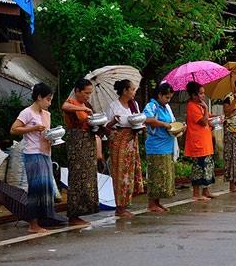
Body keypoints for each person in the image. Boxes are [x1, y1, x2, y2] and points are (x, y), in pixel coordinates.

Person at [10, 82, 60, 234]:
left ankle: (42, 219)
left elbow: (46, 133)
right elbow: (13, 129)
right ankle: (33, 223)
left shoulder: (46, 114)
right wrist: (32, 128)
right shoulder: (27, 113)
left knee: (45, 188)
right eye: (48, 99)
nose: (49, 103)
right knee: (36, 189)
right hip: (32, 153)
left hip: (45, 153)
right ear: (39, 97)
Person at [61, 79, 100, 226]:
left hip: (88, 142)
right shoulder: (71, 102)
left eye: (90, 93)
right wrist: (82, 110)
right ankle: (74, 214)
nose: (88, 96)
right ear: (77, 91)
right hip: (77, 143)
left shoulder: (86, 105)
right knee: (77, 178)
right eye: (86, 93)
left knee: (88, 178)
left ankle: (84, 211)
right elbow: (64, 106)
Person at [106, 79, 144, 218]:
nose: (134, 92)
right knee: (120, 173)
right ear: (125, 91)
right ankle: (120, 207)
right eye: (132, 89)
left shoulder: (134, 105)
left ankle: (126, 204)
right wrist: (114, 121)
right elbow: (107, 127)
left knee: (130, 172)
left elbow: (138, 120)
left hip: (131, 139)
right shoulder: (113, 106)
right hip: (119, 140)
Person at [143, 82, 177, 212]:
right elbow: (147, 119)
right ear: (159, 95)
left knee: (163, 175)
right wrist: (164, 124)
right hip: (156, 146)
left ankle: (158, 202)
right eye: (166, 97)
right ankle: (152, 203)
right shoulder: (152, 106)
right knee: (155, 174)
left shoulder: (165, 107)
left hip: (167, 144)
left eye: (170, 98)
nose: (168, 100)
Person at [185, 81, 217, 202]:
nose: (203, 96)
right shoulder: (192, 106)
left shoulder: (200, 105)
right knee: (199, 168)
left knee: (208, 167)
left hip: (206, 141)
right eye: (201, 93)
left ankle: (206, 190)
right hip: (198, 142)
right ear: (194, 95)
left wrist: (218, 117)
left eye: (203, 93)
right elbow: (203, 121)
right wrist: (206, 108)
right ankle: (196, 193)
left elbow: (209, 117)